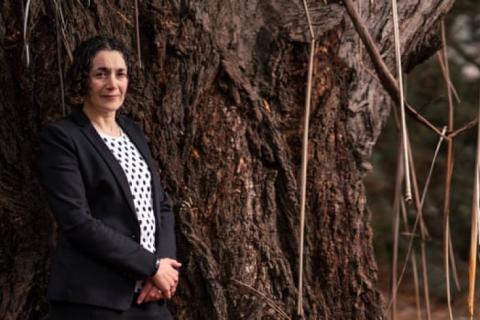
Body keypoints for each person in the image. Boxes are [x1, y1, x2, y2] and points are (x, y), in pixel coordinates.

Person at [37, 35, 181, 319]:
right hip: (93, 300)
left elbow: (160, 205)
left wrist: (164, 267)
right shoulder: (63, 138)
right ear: (84, 79)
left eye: (120, 74)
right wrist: (149, 265)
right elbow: (77, 223)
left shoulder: (133, 133)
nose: (112, 84)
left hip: (149, 297)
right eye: (100, 74)